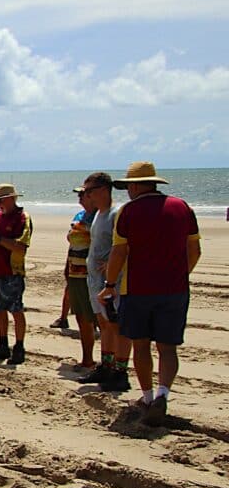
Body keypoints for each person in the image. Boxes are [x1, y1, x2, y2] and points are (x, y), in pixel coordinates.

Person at [99, 162, 202, 426]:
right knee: (167, 347)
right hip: (174, 289)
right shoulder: (182, 207)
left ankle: (146, 397)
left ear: (134, 186)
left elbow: (119, 252)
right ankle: (162, 394)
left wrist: (109, 284)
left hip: (138, 289)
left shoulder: (129, 211)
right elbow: (194, 250)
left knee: (141, 344)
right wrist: (181, 274)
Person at [80, 172, 132, 392]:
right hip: (95, 279)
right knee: (103, 323)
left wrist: (112, 263)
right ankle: (106, 365)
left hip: (112, 281)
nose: (86, 195)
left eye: (89, 191)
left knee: (116, 325)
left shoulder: (116, 213)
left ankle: (120, 371)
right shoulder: (98, 214)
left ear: (103, 190)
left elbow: (125, 244)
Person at [0, 183, 32, 365]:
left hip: (12, 271)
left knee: (16, 309)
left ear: (11, 198)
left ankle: (19, 347)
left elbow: (20, 247)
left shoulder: (22, 218)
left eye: (0, 201)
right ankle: (2, 344)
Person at [65, 187, 97, 369]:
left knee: (99, 319)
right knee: (82, 317)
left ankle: (108, 362)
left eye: (82, 195)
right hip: (76, 271)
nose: (80, 199)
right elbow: (72, 245)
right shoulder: (80, 216)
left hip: (93, 274)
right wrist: (67, 268)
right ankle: (87, 358)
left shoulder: (102, 217)